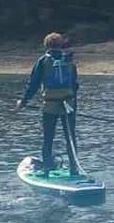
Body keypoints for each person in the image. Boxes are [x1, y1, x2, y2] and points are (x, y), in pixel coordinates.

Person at [17, 32, 81, 176]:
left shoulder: (43, 61)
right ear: (61, 45)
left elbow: (33, 84)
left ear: (46, 45)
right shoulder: (69, 61)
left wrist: (23, 101)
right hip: (68, 105)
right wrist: (73, 106)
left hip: (50, 106)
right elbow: (75, 85)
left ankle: (46, 169)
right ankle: (74, 169)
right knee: (70, 138)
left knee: (48, 138)